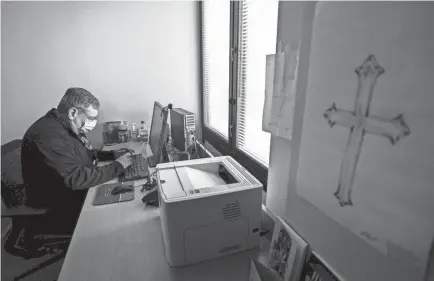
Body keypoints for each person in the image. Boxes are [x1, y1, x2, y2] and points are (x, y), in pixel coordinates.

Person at [21, 87, 133, 237]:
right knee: (119, 216)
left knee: (126, 194)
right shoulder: (48, 136)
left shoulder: (63, 126)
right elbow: (76, 178)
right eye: (90, 118)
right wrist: (119, 165)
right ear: (73, 113)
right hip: (58, 201)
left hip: (69, 187)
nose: (92, 123)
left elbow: (82, 154)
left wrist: (111, 155)